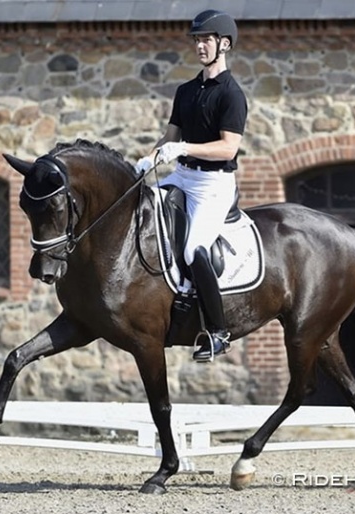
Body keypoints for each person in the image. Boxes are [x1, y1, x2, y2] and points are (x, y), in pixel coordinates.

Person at [135, 9, 248, 362]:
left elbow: (228, 147)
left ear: (224, 44)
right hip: (182, 174)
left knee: (192, 248)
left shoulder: (231, 94)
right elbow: (170, 136)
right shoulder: (185, 91)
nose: (200, 46)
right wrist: (149, 158)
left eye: (206, 40)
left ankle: (218, 332)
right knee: (142, 211)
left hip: (213, 184)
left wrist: (183, 147)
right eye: (197, 40)